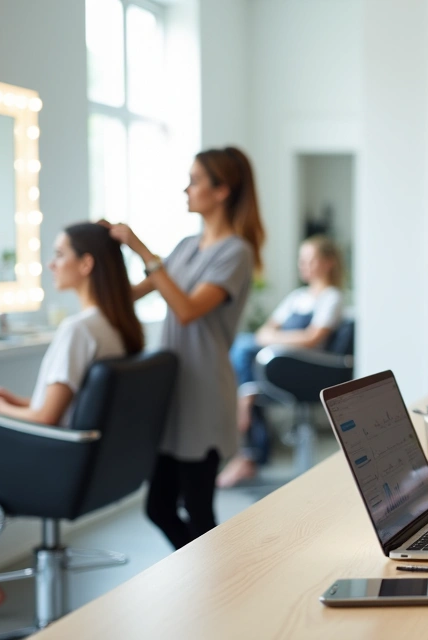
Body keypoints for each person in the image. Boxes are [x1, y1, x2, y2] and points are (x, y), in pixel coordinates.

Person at [0, 223, 144, 622]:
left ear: (86, 264)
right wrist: (16, 401)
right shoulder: (116, 326)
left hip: (54, 470)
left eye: (59, 254)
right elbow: (73, 405)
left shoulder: (78, 330)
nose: (51, 263)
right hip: (89, 469)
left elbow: (46, 417)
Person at [105, 146, 263, 550]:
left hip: (204, 395)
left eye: (194, 181)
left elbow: (188, 309)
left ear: (221, 190)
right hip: (173, 393)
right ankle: (203, 575)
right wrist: (103, 255)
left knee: (198, 508)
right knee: (159, 507)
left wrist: (142, 250)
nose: (186, 189)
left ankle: (218, 582)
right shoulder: (185, 247)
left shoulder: (236, 252)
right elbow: (133, 294)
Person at [216, 235, 345, 488]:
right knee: (243, 346)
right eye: (301, 260)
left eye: (311, 259)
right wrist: (278, 338)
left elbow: (312, 338)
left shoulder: (331, 297)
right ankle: (248, 417)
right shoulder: (297, 297)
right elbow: (264, 331)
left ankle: (245, 408)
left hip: (305, 367)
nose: (304, 265)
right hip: (279, 361)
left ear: (328, 262)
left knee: (244, 349)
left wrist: (275, 340)